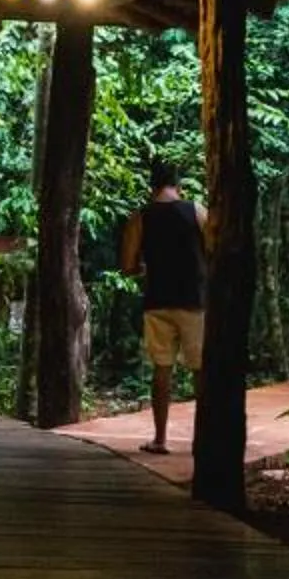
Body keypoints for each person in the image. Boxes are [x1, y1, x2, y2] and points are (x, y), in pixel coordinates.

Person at [120, 157, 207, 453]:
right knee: (200, 371)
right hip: (194, 301)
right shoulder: (196, 211)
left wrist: (146, 267)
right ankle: (204, 440)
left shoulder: (141, 217)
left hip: (157, 301)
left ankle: (160, 439)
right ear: (178, 185)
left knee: (162, 369)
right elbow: (215, 250)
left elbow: (128, 264)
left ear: (151, 185)